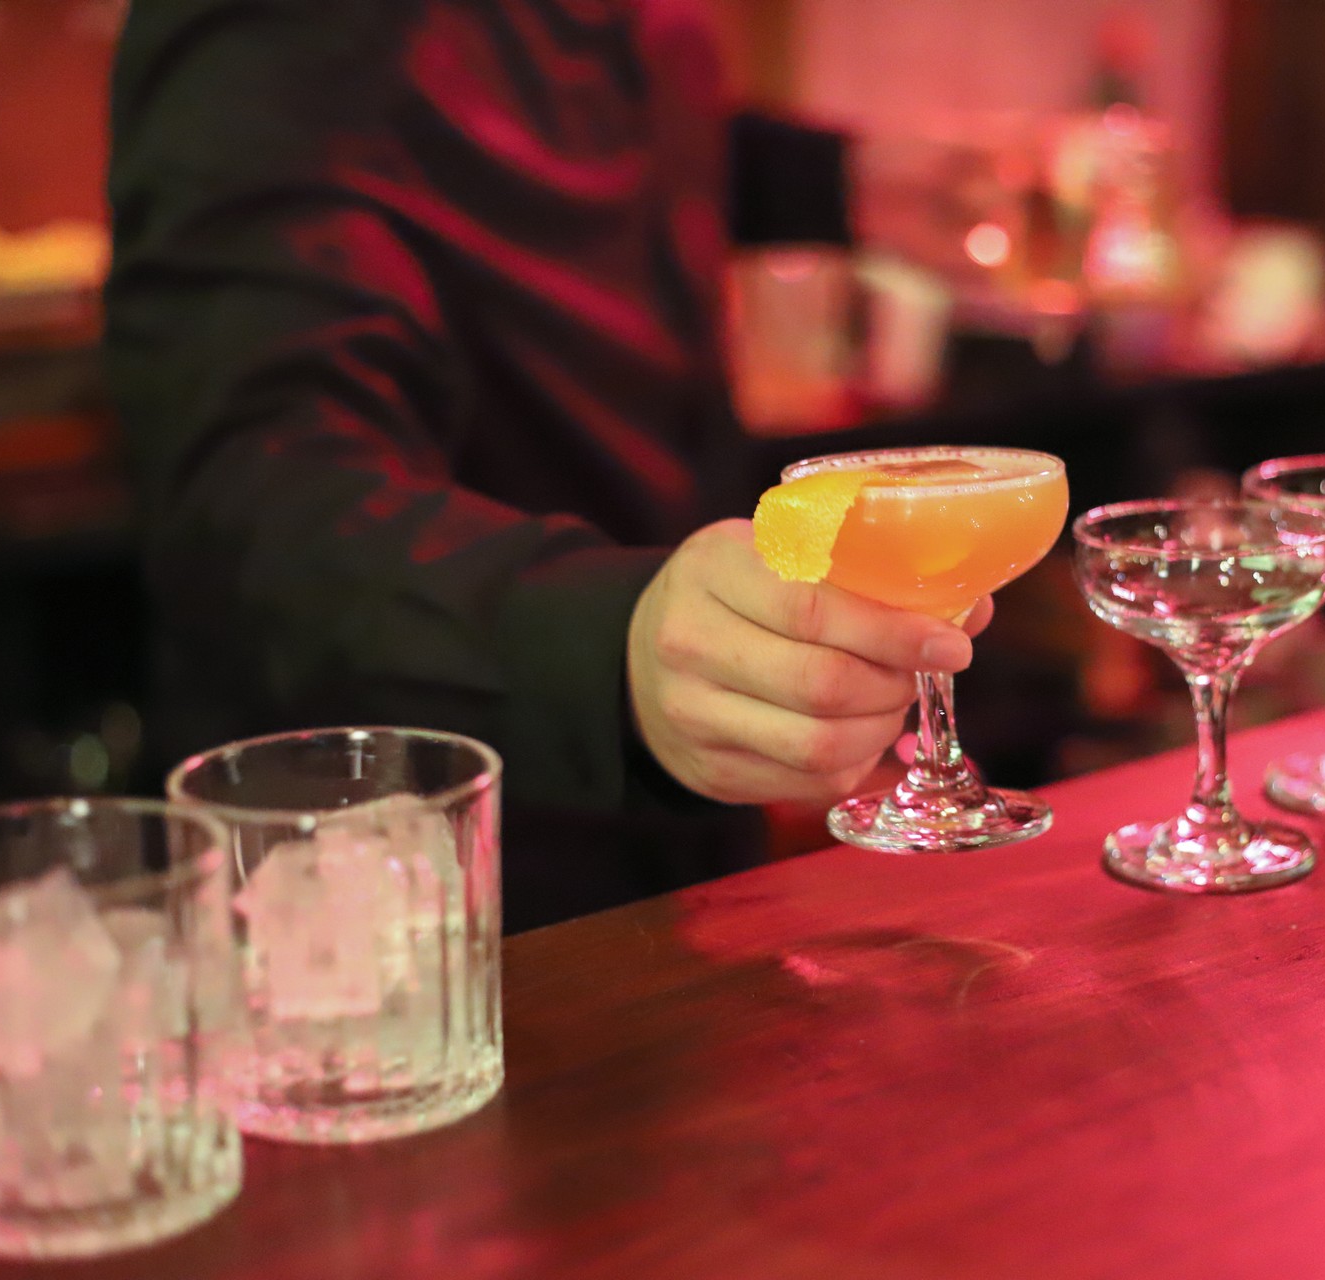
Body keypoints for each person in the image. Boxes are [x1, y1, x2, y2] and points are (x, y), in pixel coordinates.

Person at [104, 0, 985, 930]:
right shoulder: (282, 30)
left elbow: (576, 155)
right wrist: (614, 651)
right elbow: (254, 501)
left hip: (683, 857)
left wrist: (838, 183)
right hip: (415, 904)